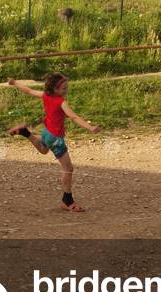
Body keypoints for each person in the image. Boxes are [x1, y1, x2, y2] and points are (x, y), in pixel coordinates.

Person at [6, 73, 101, 212]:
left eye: (66, 87)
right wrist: (90, 127)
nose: (66, 90)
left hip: (46, 133)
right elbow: (73, 117)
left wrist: (14, 83)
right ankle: (67, 201)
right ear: (55, 89)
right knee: (68, 169)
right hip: (55, 138)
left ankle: (25, 132)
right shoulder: (61, 102)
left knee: (44, 150)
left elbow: (29, 90)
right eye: (63, 88)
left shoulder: (45, 95)